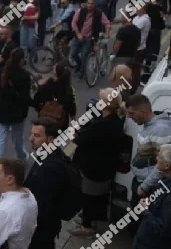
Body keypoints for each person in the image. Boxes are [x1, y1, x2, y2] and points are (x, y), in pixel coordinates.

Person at [69, 88, 125, 237]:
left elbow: (82, 139)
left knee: (89, 196)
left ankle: (87, 226)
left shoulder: (102, 125)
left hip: (93, 167)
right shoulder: (115, 121)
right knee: (99, 196)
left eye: (100, 100)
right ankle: (93, 218)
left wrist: (75, 133)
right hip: (105, 167)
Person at [125, 94, 171, 235]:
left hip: (149, 187)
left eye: (132, 113)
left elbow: (164, 164)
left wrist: (144, 187)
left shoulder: (161, 130)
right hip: (142, 182)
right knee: (135, 224)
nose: (130, 117)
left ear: (143, 112)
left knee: (142, 228)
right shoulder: (150, 125)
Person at [23, 117, 72, 249]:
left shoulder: (50, 168)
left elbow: (41, 205)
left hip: (40, 231)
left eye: (36, 135)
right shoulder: (48, 155)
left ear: (50, 139)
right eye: (31, 134)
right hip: (46, 227)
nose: (30, 138)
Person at [133, 144, 171, 249]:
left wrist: (145, 210)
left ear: (167, 166)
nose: (156, 158)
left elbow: (162, 228)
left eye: (159, 156)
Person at [0, 48, 31, 163]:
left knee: (0, 140)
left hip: (2, 110)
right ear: (22, 59)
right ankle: (22, 156)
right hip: (17, 112)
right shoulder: (24, 75)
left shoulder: (3, 71)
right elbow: (25, 97)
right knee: (17, 138)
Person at [69, 0, 111, 80]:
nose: (90, 5)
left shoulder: (99, 13)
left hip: (89, 38)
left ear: (95, 5)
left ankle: (81, 74)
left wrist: (107, 33)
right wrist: (78, 34)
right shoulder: (80, 11)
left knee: (84, 55)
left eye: (92, 4)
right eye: (88, 3)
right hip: (78, 37)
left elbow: (107, 23)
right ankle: (80, 64)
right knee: (73, 54)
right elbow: (73, 23)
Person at [32, 62, 76, 130]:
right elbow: (72, 110)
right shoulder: (68, 90)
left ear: (55, 72)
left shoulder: (46, 86)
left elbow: (35, 101)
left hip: (44, 123)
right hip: (60, 125)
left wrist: (40, 109)